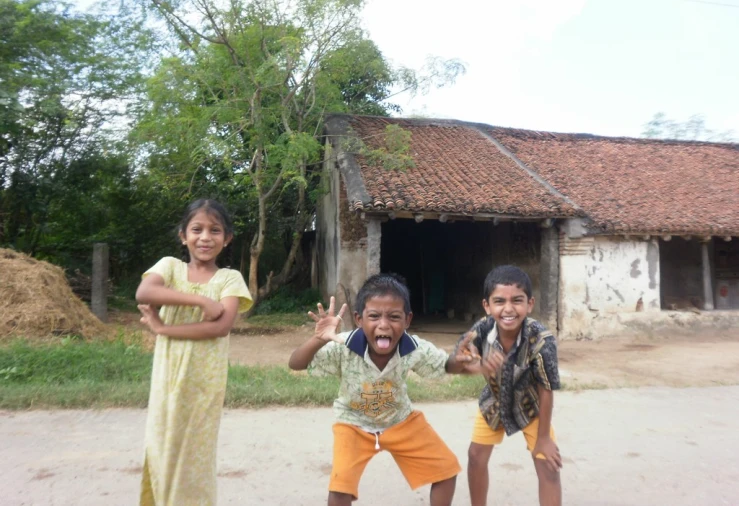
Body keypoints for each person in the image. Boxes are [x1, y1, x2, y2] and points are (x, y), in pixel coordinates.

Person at [288, 273, 476, 506]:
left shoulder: (413, 348)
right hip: (353, 422)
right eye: (374, 316)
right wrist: (320, 338)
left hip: (400, 420)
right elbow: (296, 363)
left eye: (394, 317)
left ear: (407, 320)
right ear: (359, 319)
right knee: (340, 489)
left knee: (446, 471)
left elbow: (444, 365)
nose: (384, 325)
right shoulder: (344, 345)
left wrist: (459, 360)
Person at [135, 199, 253, 506]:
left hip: (204, 385)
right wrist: (200, 302)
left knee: (195, 458)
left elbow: (220, 327)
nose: (205, 237)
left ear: (227, 238)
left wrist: (163, 329)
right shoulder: (170, 268)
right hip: (167, 380)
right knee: (162, 448)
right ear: (182, 235)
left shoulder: (230, 279)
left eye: (215, 230)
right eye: (197, 229)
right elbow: (145, 292)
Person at [459, 265, 562, 506]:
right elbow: (465, 351)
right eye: (499, 301)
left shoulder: (542, 341)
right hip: (493, 402)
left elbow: (546, 390)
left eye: (517, 300)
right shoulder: (483, 328)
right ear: (487, 306)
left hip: (533, 408)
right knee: (475, 457)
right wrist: (472, 359)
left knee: (548, 465)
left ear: (530, 303)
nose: (508, 309)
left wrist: (544, 437)